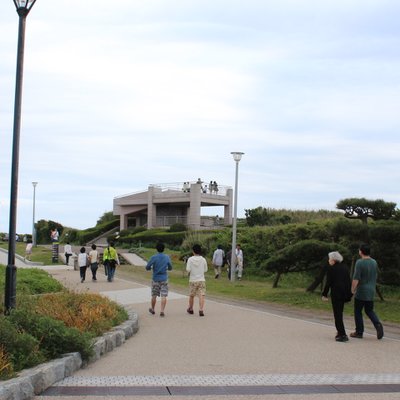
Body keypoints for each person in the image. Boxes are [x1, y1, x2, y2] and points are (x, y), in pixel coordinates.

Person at [350, 244, 384, 340]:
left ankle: (359, 332)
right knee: (369, 310)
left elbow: (356, 277)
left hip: (362, 290)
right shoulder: (374, 262)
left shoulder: (359, 262)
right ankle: (377, 324)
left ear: (361, 251)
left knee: (358, 311)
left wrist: (352, 289)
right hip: (371, 290)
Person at [322, 251, 352, 342]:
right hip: (344, 293)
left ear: (334, 260)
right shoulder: (345, 267)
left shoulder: (332, 269)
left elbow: (328, 282)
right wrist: (349, 294)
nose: (329, 260)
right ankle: (340, 332)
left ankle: (342, 334)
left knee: (337, 314)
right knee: (340, 312)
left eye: (330, 258)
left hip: (336, 293)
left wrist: (324, 294)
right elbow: (348, 281)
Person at [146, 242, 173, 317]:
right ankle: (162, 311)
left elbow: (147, 267)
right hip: (164, 278)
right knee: (163, 295)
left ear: (156, 249)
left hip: (155, 279)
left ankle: (153, 309)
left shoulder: (153, 257)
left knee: (154, 295)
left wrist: (151, 268)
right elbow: (170, 267)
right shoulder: (167, 257)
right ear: (164, 249)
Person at [186, 244, 208, 316]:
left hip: (193, 280)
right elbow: (205, 270)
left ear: (193, 251)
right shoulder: (203, 259)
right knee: (202, 295)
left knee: (192, 295)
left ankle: (191, 308)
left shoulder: (190, 259)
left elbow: (188, 269)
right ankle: (201, 309)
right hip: (201, 280)